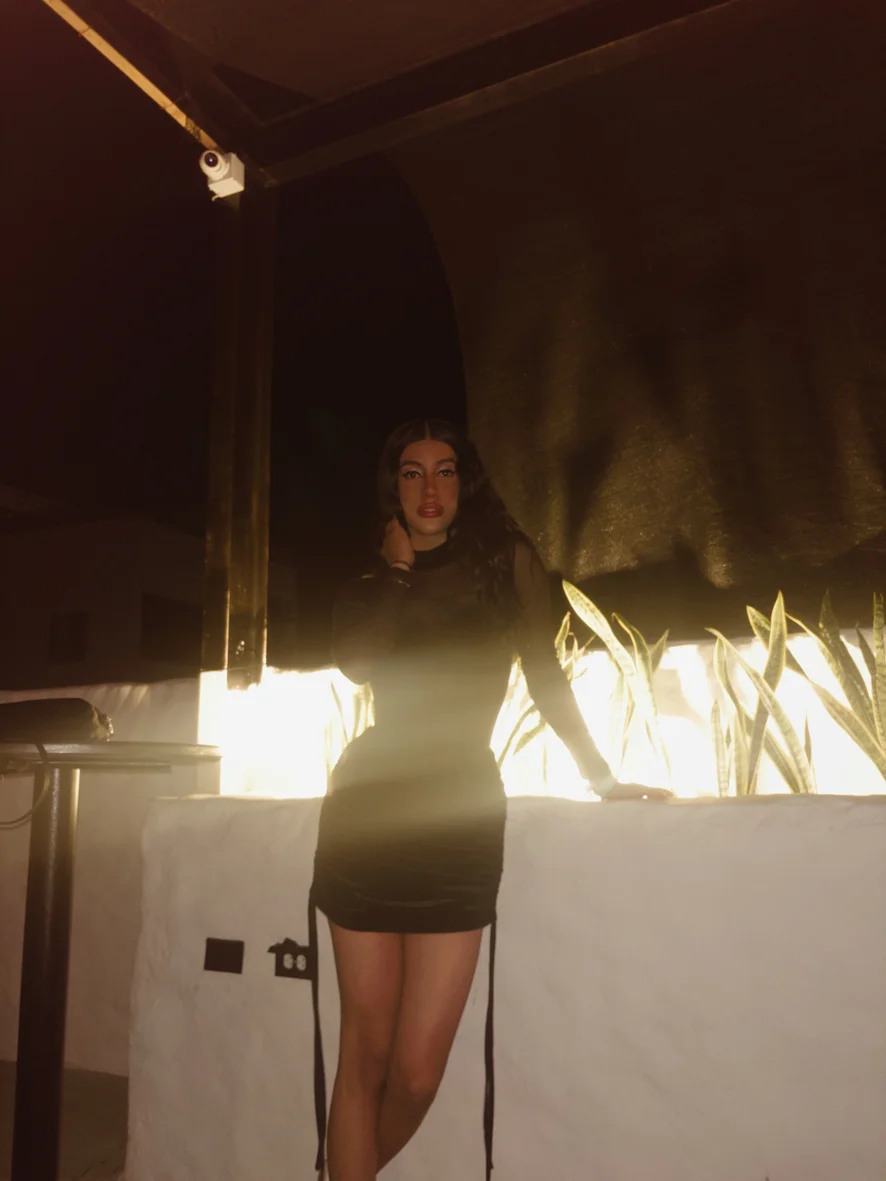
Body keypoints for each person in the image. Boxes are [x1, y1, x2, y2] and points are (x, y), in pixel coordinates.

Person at [309, 418, 670, 1180]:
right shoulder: (368, 587)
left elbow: (545, 675)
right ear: (393, 489)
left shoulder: (507, 565)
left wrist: (601, 776)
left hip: (460, 820)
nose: (429, 487)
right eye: (412, 472)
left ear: (464, 483)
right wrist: (397, 571)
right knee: (362, 1052)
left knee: (417, 1072)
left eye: (444, 470)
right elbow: (357, 662)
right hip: (366, 820)